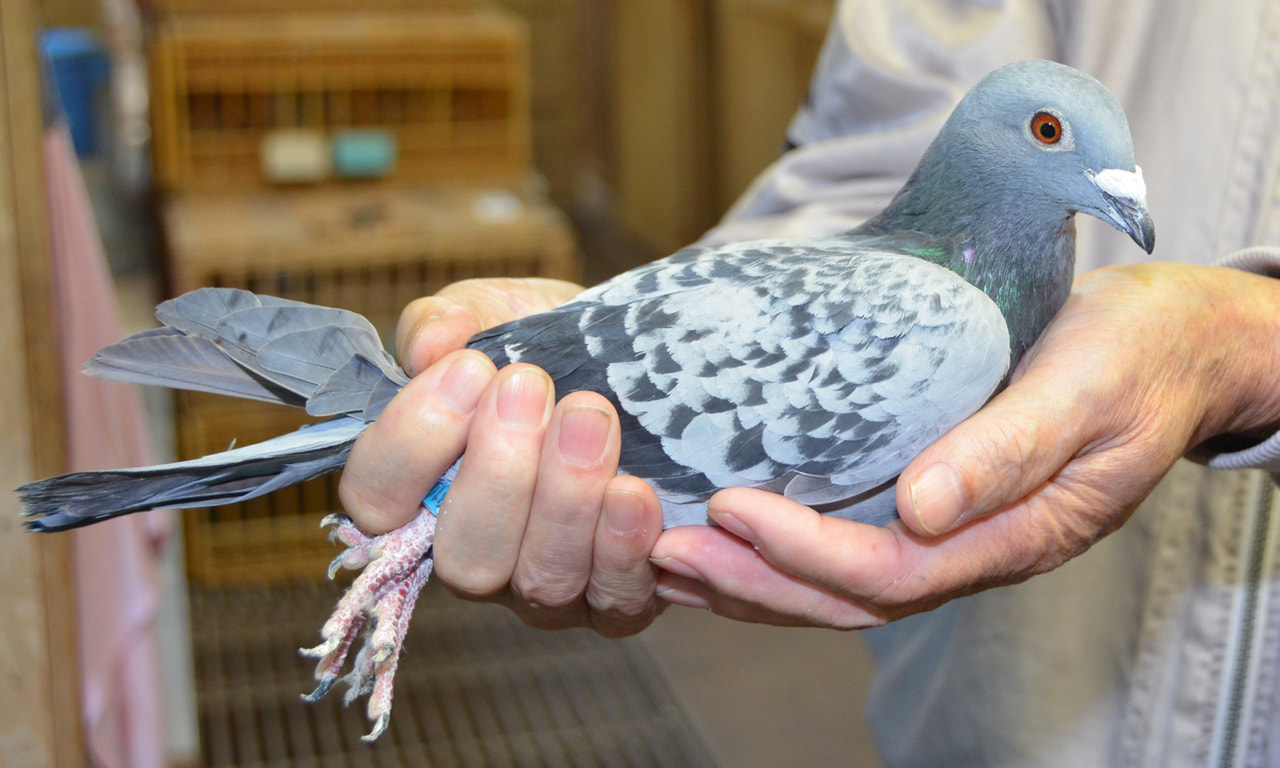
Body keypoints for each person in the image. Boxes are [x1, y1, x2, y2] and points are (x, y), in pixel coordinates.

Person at [339, 1, 1280, 765]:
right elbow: (863, 153)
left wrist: (1249, 351)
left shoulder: (1016, 283)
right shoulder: (949, 317)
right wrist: (730, 334)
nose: (1123, 206)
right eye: (1047, 135)